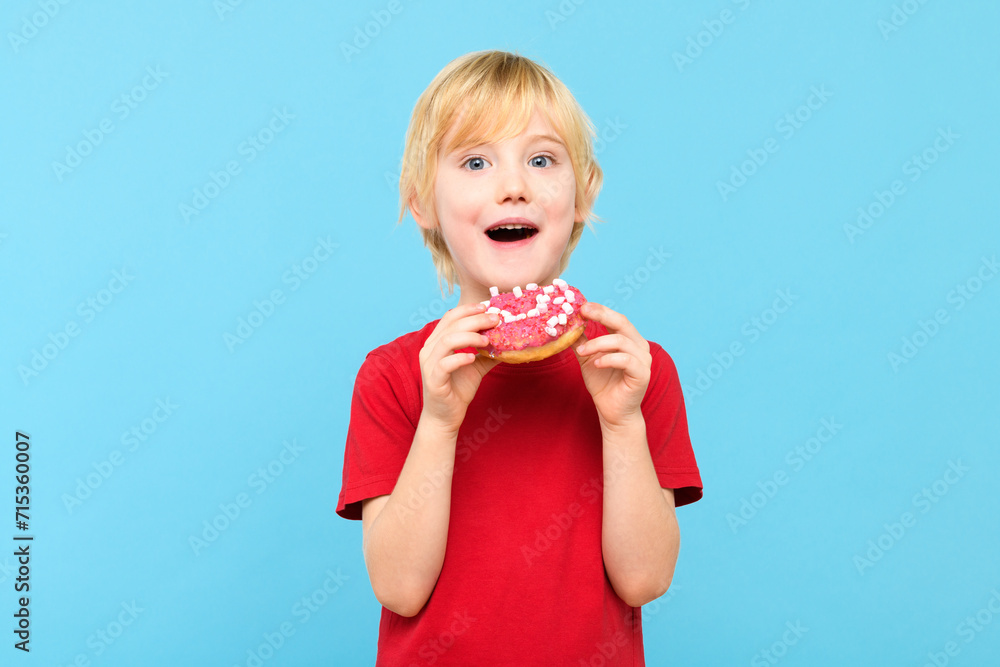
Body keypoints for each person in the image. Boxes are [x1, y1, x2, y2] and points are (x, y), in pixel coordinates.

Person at [337, 49, 703, 665]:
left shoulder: (634, 370)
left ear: (583, 193)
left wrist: (623, 423)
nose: (513, 186)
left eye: (541, 159)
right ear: (422, 201)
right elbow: (399, 590)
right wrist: (438, 422)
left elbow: (644, 581)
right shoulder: (394, 376)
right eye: (476, 161)